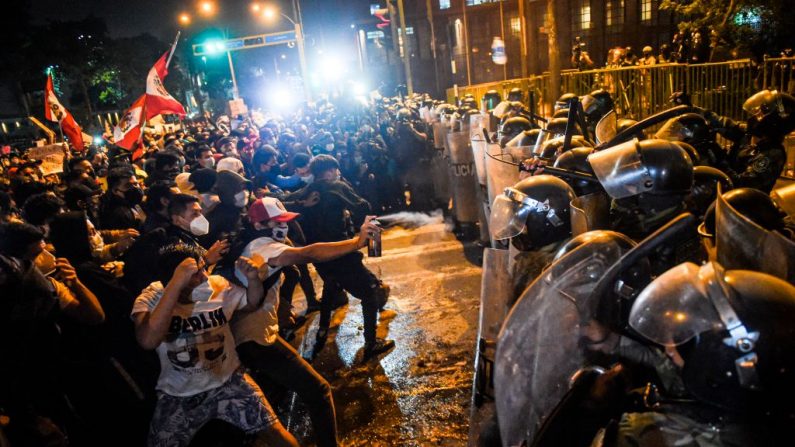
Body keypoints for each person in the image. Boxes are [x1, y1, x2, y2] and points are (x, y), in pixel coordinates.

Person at [231, 197, 381, 446]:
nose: (283, 227)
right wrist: (357, 242)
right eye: (276, 222)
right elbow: (309, 253)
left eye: (285, 221)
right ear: (258, 225)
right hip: (254, 339)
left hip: (255, 334)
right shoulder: (262, 246)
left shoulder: (256, 243)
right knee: (318, 391)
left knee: (268, 404)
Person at [131, 244, 299, 447]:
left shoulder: (219, 286)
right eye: (195, 274)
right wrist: (175, 286)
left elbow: (251, 303)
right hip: (180, 395)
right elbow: (148, 340)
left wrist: (253, 279)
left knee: (277, 436)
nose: (204, 277)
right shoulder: (153, 297)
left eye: (204, 268)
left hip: (229, 381)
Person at [0, 222, 105, 446]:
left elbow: (94, 316)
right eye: (38, 254)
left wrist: (75, 283)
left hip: (59, 377)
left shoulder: (49, 286)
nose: (48, 255)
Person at [287, 155, 394, 359]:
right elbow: (364, 207)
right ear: (329, 171)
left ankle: (322, 330)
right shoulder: (335, 186)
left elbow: (287, 201)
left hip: (320, 256)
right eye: (335, 170)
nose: (338, 173)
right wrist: (372, 242)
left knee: (331, 285)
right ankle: (371, 344)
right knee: (370, 292)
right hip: (341, 253)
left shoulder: (306, 192)